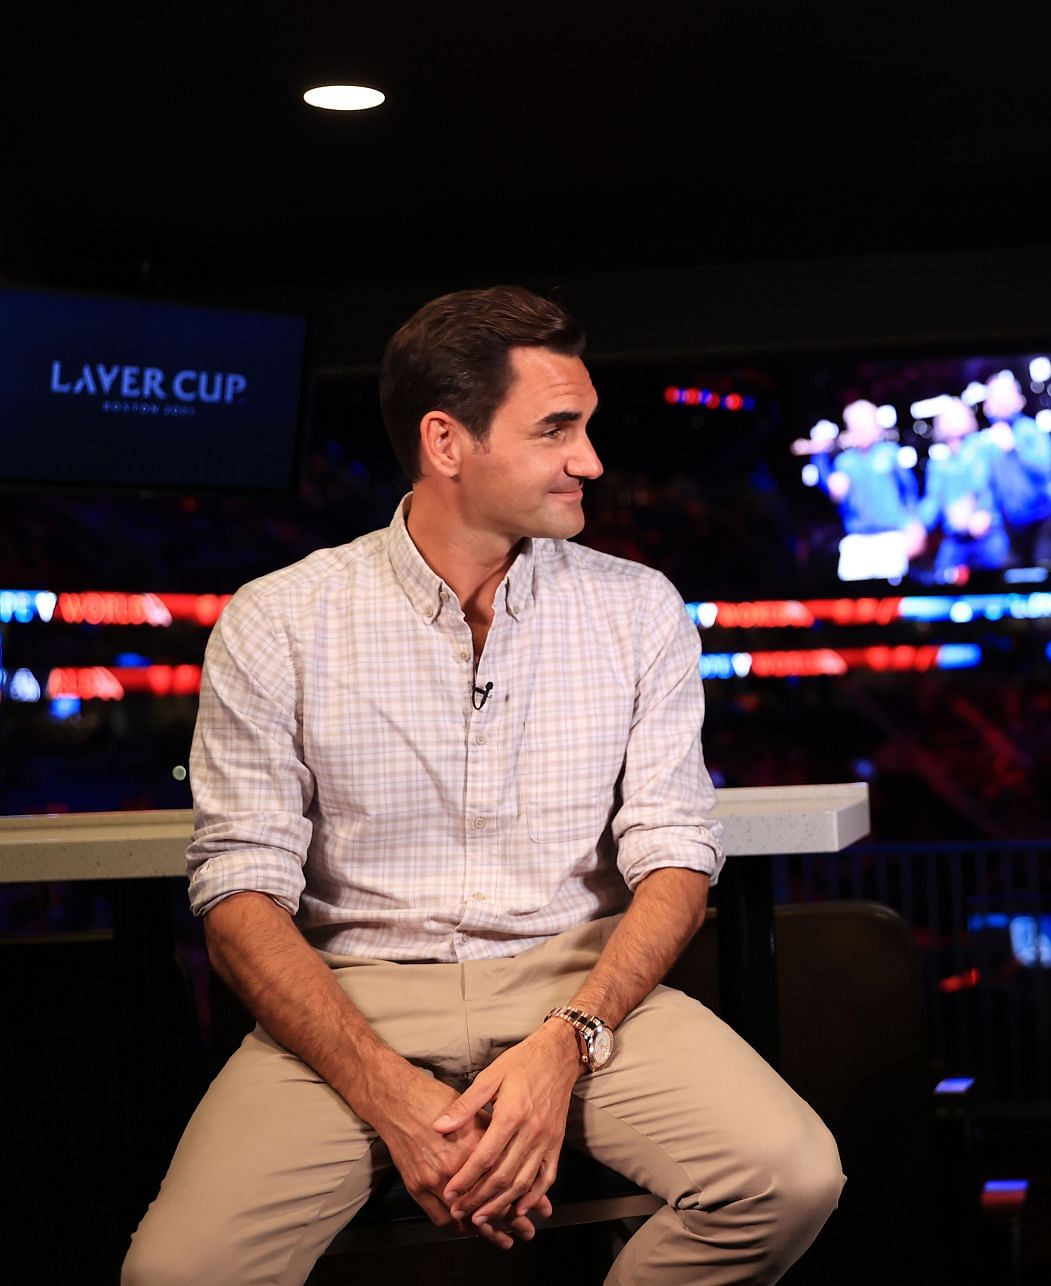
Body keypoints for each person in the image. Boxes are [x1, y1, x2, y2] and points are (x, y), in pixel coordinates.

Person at [124, 286, 843, 1286]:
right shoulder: (278, 619)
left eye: (586, 426)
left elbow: (676, 858)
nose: (589, 459)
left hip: (578, 987)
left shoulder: (638, 610)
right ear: (446, 442)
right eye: (557, 429)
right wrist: (387, 1092)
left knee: (790, 1177)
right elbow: (239, 897)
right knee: (178, 1272)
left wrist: (570, 1041)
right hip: (352, 999)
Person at [979, 370, 1051, 565]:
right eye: (995, 397)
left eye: (1006, 395)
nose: (1001, 402)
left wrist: (1015, 448)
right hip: (1015, 530)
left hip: (1048, 521)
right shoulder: (988, 444)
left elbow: (1046, 470)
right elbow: (989, 488)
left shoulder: (1031, 430)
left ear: (1019, 400)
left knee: (1047, 576)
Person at [825, 398, 924, 580]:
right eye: (856, 424)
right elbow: (837, 502)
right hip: (858, 540)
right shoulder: (843, 463)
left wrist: (913, 524)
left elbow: (909, 491)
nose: (862, 429)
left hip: (891, 537)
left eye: (866, 422)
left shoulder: (890, 453)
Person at [918, 397, 1010, 576]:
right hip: (955, 539)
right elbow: (932, 501)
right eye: (947, 418)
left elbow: (1002, 486)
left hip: (989, 534)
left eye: (957, 416)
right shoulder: (938, 464)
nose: (952, 423)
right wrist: (918, 526)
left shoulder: (985, 449)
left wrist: (986, 513)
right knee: (941, 580)